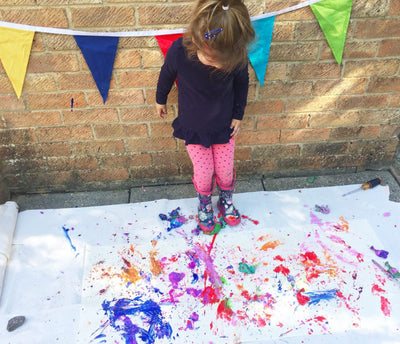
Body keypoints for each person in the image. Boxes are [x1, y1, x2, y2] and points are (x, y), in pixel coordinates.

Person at [156, 0, 255, 232]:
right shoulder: (180, 50)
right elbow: (167, 73)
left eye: (223, 62)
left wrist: (238, 114)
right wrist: (160, 99)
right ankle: (204, 204)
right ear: (200, 39)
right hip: (194, 126)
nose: (216, 65)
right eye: (212, 58)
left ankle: (225, 199)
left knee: (224, 169)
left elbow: (242, 83)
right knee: (203, 171)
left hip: (224, 127)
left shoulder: (236, 54)